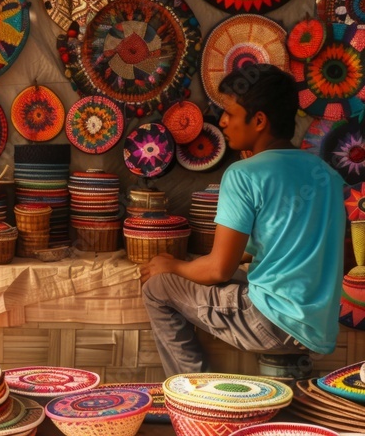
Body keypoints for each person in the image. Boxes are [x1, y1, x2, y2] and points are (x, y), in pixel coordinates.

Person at [140, 64, 346, 376]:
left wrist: (171, 266)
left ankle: (194, 393)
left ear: (259, 121)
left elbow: (218, 268)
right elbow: (280, 244)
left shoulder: (243, 174)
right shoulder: (327, 175)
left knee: (157, 287)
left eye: (230, 114)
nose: (222, 122)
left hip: (268, 321)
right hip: (318, 327)